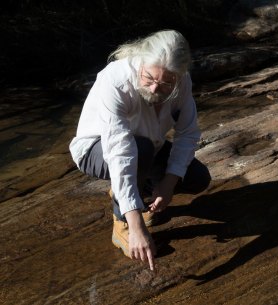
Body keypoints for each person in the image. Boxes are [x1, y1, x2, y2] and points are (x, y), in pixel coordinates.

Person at [69, 30, 211, 270]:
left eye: (166, 82)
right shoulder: (115, 80)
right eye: (149, 78)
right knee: (139, 150)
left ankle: (134, 194)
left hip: (147, 146)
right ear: (141, 62)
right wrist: (136, 226)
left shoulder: (182, 81)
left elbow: (187, 133)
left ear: (179, 75)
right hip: (97, 148)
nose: (156, 88)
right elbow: (119, 151)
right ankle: (121, 221)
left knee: (197, 179)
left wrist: (168, 183)